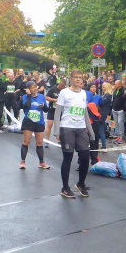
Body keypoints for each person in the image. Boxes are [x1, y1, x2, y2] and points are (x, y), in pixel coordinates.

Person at [53, 70, 96, 198]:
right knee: (68, 157)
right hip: (67, 128)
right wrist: (56, 131)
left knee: (85, 157)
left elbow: (85, 113)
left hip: (81, 128)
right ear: (71, 78)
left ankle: (81, 184)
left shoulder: (83, 93)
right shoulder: (64, 92)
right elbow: (58, 112)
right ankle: (65, 188)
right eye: (75, 77)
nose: (78, 79)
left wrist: (91, 131)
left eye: (80, 77)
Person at [19, 81, 50, 169]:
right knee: (26, 141)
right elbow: (27, 105)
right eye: (32, 88)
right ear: (28, 89)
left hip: (39, 121)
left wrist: (43, 106)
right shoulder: (25, 97)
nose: (35, 89)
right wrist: (29, 95)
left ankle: (41, 162)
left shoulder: (41, 96)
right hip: (28, 121)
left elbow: (46, 110)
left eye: (35, 87)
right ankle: (23, 161)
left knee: (39, 142)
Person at [44, 78, 65, 147]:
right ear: (58, 84)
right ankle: (47, 140)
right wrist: (54, 100)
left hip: (60, 110)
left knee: (60, 126)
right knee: (49, 124)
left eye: (63, 86)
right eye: (61, 86)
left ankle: (59, 140)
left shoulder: (65, 91)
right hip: (52, 109)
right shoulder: (53, 89)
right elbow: (46, 97)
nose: (62, 87)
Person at [98, 82, 113, 151]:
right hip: (105, 114)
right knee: (102, 130)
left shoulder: (107, 95)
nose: (102, 88)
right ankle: (103, 145)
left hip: (103, 114)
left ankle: (104, 145)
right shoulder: (106, 95)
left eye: (103, 87)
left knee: (101, 130)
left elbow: (101, 103)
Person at [111, 79, 125, 144]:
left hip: (120, 110)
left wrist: (123, 108)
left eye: (116, 84)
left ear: (120, 84)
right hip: (114, 109)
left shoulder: (123, 91)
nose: (115, 85)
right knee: (116, 123)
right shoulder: (115, 91)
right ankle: (118, 136)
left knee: (120, 123)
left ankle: (121, 136)